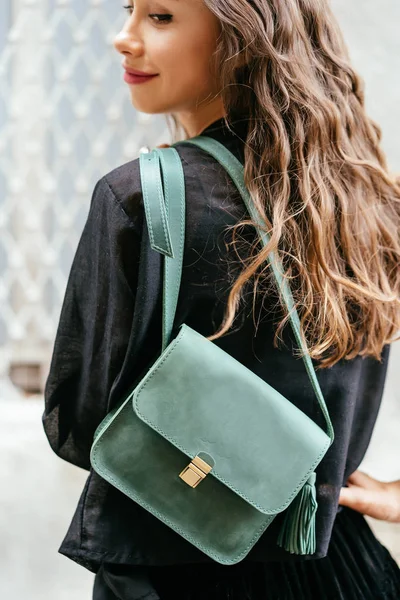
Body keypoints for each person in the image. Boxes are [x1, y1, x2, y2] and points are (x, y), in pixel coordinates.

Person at [42, 0, 400, 598]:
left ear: (243, 35)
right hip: (343, 567)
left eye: (160, 17)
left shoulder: (142, 199)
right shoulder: (364, 202)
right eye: (128, 10)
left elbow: (81, 423)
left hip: (179, 568)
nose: (122, 38)